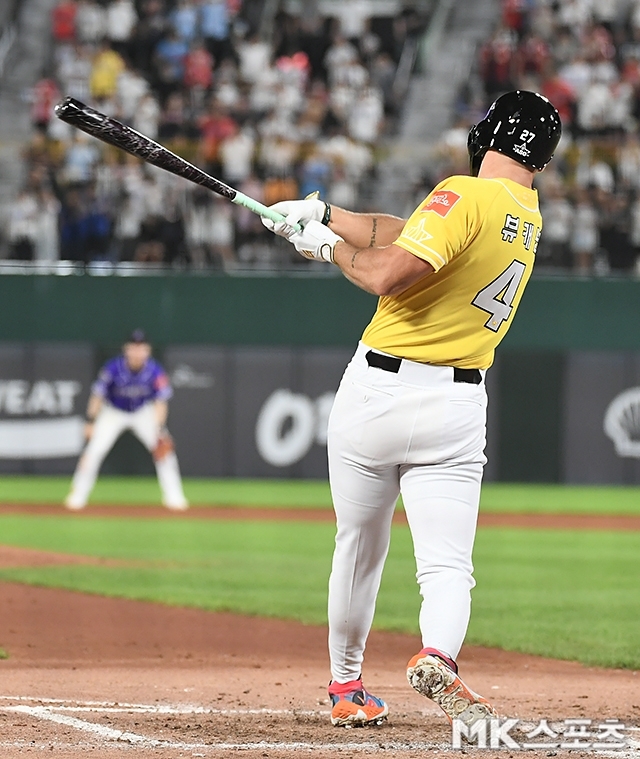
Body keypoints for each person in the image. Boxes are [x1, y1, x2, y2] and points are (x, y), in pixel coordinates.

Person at [262, 91, 561, 730]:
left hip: (378, 393)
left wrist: (321, 247)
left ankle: (346, 686)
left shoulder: (462, 192)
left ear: (489, 133)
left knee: (359, 547)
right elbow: (408, 232)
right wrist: (325, 213)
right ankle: (439, 657)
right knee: (449, 563)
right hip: (458, 404)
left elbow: (382, 274)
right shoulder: (524, 211)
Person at [65, 329, 188, 511]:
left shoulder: (155, 371)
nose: (137, 352)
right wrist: (91, 421)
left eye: (141, 348)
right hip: (113, 412)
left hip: (143, 412)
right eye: (134, 347)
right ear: (126, 349)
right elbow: (97, 396)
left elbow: (161, 402)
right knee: (94, 451)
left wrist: (159, 429)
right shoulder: (112, 368)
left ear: (148, 350)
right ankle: (77, 496)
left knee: (164, 451)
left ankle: (175, 498)